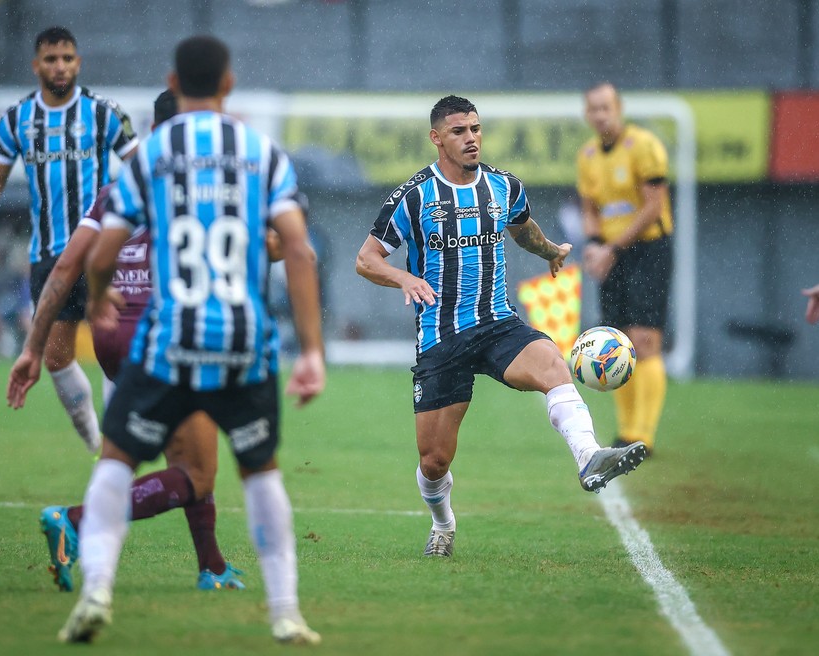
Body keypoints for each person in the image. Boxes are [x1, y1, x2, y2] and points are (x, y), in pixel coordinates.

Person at [57, 35, 324, 645]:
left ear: (174, 83)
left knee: (115, 464)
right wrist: (311, 351)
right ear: (229, 83)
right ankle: (285, 611)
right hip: (242, 343)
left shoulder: (148, 157)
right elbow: (299, 250)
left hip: (167, 341)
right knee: (261, 475)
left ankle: (97, 589)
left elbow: (102, 248)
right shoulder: (261, 153)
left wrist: (97, 296)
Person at [355, 95, 647, 559]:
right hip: (442, 337)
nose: (471, 138)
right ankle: (443, 523)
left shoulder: (502, 186)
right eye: (458, 131)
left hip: (497, 323)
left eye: (475, 128)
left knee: (553, 364)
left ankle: (589, 456)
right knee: (434, 461)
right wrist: (404, 278)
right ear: (436, 138)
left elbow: (522, 227)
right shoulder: (414, 196)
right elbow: (366, 259)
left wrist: (550, 251)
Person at [6, 90, 244, 594]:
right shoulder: (200, 189)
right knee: (198, 473)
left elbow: (65, 267)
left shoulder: (115, 189)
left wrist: (32, 347)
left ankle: (213, 567)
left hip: (113, 339)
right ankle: (75, 518)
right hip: (165, 335)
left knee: (189, 455)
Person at [0, 26, 139, 453]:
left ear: (78, 63)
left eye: (67, 58)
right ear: (37, 65)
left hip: (101, 251)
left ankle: (116, 450)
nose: (60, 66)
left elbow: (141, 167)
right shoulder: (17, 119)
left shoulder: (104, 113)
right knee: (55, 358)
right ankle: (94, 441)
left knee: (113, 348)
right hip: (49, 255)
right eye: (51, 59)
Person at [577, 82, 674, 455]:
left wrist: (612, 248)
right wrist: (593, 245)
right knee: (618, 341)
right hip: (611, 254)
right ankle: (626, 432)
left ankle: (643, 435)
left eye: (606, 107)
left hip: (648, 249)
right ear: (587, 114)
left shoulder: (644, 146)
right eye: (594, 108)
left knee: (646, 340)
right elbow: (590, 209)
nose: (600, 115)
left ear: (619, 109)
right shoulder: (587, 155)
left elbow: (653, 207)